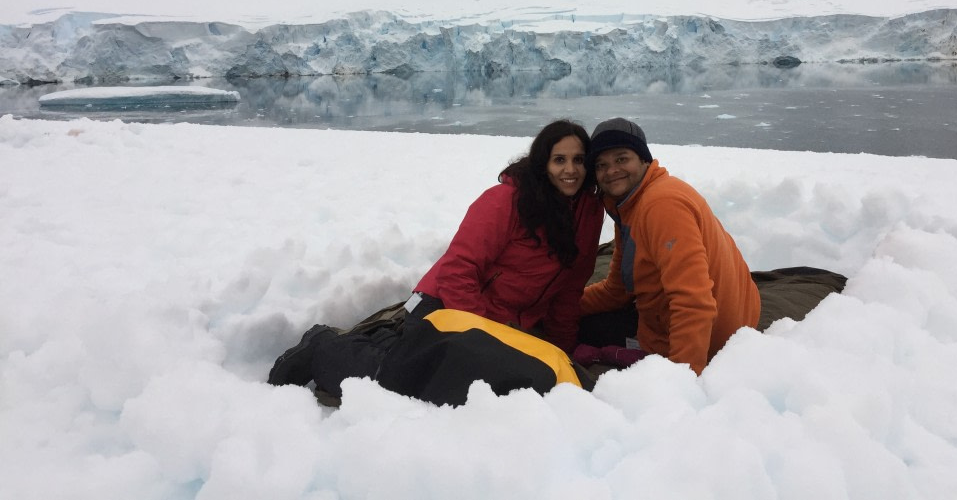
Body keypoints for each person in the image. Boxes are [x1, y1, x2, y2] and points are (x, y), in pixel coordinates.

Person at [267, 118, 605, 402]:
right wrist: (484, 335)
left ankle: (392, 344)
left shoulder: (588, 214)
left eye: (578, 160)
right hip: (446, 306)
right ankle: (323, 346)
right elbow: (458, 271)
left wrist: (563, 349)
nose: (570, 170)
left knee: (513, 385)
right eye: (559, 160)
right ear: (543, 163)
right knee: (416, 386)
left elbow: (569, 289)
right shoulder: (508, 201)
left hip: (506, 324)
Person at [578, 118, 760, 375]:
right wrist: (560, 306)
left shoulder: (661, 205)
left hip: (714, 341)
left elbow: (693, 302)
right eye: (601, 165)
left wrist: (682, 381)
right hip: (734, 319)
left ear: (643, 160)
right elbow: (616, 291)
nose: (611, 171)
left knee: (579, 334)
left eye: (621, 159)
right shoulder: (630, 204)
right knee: (572, 319)